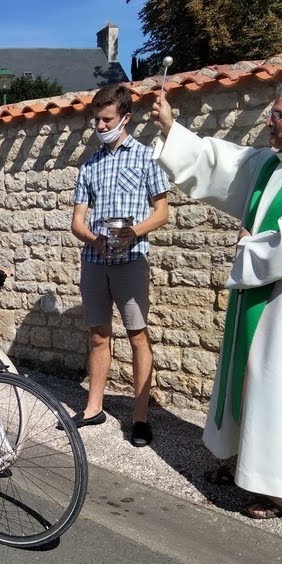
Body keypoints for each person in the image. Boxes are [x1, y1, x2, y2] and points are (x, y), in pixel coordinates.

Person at [151, 76, 282, 519]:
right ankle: (247, 469)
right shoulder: (272, 163)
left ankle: (281, 489)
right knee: (249, 382)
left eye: (279, 114)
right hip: (257, 299)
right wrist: (170, 129)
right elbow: (223, 162)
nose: (269, 121)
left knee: (276, 385)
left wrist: (247, 245)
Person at [70, 83, 170, 447]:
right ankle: (93, 406)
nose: (99, 125)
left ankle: (140, 416)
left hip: (131, 259)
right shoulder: (90, 165)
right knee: (98, 335)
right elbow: (77, 222)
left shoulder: (147, 158)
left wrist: (132, 232)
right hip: (95, 260)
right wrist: (95, 239)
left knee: (136, 335)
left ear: (125, 118)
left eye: (106, 118)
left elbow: (162, 212)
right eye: (96, 118)